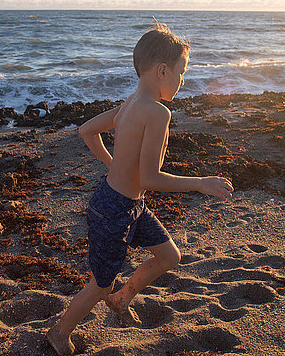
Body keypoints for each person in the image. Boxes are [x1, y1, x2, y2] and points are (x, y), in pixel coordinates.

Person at [46, 23, 234, 355]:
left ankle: (123, 297)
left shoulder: (131, 102)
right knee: (99, 285)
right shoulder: (157, 112)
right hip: (114, 210)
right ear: (163, 70)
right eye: (181, 72)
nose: (182, 81)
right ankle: (60, 331)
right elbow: (150, 178)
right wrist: (201, 184)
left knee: (168, 256)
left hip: (124, 203)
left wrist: (113, 165)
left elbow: (87, 130)